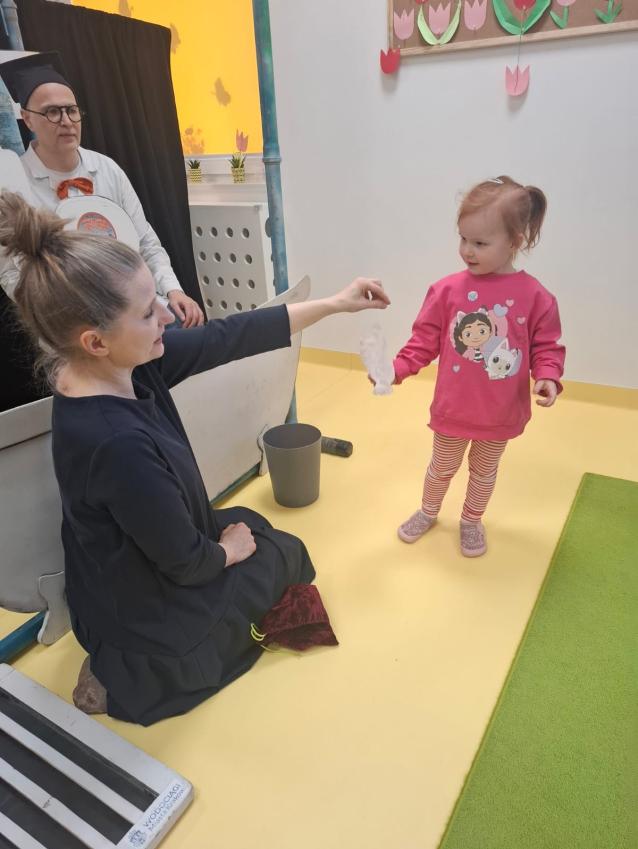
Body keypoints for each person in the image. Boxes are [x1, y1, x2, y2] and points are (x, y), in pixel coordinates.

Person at [0, 191, 388, 725]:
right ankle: (117, 678)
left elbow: (231, 336)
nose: (167, 315)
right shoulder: (115, 442)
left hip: (131, 565)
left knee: (258, 530)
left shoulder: (119, 366)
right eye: (147, 312)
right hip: (145, 605)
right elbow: (184, 563)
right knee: (282, 553)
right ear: (95, 341)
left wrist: (335, 304)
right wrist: (226, 552)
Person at [384, 176, 565, 557]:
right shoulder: (446, 290)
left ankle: (471, 520)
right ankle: (428, 511)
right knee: (441, 467)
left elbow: (547, 345)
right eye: (463, 238)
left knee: (484, 472)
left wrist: (548, 376)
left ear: (515, 242)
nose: (467, 250)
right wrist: (397, 368)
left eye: (480, 243)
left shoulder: (536, 297)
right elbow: (424, 339)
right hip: (454, 408)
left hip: (499, 413)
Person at [0, 52, 204, 327]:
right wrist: (58, 320)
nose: (66, 121)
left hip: (133, 304)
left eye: (72, 110)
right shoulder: (14, 185)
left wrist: (173, 290)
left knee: (195, 332)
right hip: (72, 323)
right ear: (27, 119)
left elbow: (145, 240)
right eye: (52, 112)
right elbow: (11, 273)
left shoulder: (106, 169)